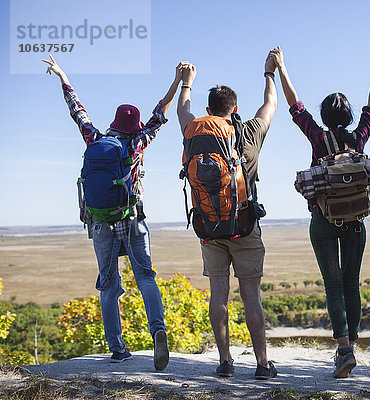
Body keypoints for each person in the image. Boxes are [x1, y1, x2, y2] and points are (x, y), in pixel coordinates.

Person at [42, 54, 180, 370]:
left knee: (108, 284)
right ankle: (158, 330)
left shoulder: (96, 138)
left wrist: (64, 77)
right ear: (135, 126)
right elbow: (160, 114)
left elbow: (78, 111)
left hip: (101, 222)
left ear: (115, 123)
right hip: (132, 220)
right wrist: (177, 81)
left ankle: (118, 349)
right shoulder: (138, 143)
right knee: (145, 277)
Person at [271, 47, 370, 378]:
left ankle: (344, 349)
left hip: (323, 221)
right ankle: (352, 346)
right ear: (348, 116)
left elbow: (295, 107)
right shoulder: (358, 138)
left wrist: (281, 68)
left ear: (324, 115)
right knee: (352, 283)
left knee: (333, 283)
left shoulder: (318, 137)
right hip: (356, 224)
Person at [176, 52, 278, 380]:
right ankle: (262, 365)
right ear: (234, 109)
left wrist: (186, 82)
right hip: (244, 226)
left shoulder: (193, 129)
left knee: (218, 294)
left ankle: (225, 361)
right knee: (251, 296)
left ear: (209, 111)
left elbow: (182, 109)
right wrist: (269, 73)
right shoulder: (246, 133)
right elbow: (270, 105)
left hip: (207, 226)